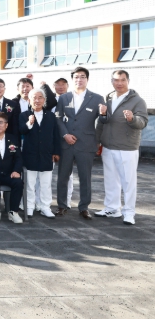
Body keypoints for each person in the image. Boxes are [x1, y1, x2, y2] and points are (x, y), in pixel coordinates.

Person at [95, 70, 148, 225]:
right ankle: (112, 208)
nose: (119, 83)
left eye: (122, 80)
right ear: (112, 81)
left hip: (127, 148)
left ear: (128, 81)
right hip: (108, 146)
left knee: (128, 182)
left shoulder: (138, 101)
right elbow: (102, 122)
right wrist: (97, 140)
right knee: (111, 180)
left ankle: (129, 212)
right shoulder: (108, 99)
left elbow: (143, 122)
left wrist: (132, 119)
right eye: (116, 80)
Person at [54, 66, 105, 220]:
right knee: (63, 176)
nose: (79, 79)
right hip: (66, 143)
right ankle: (62, 205)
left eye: (82, 76)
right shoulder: (64, 98)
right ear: (72, 79)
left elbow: (103, 121)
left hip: (86, 143)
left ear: (87, 79)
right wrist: (65, 135)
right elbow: (58, 118)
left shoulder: (97, 98)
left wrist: (104, 114)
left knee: (85, 177)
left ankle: (84, 208)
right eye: (76, 77)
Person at [19, 89, 61, 218]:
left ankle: (45, 207)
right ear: (29, 100)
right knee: (29, 184)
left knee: (45, 184)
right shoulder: (24, 115)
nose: (37, 100)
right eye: (34, 98)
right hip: (30, 154)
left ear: (44, 100)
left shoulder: (50, 116)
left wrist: (56, 151)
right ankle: (29, 206)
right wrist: (29, 123)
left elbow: (56, 134)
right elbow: (21, 130)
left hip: (47, 154)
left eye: (40, 97)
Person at [52, 77, 74, 207]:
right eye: (57, 84)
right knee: (46, 173)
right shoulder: (49, 101)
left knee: (67, 174)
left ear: (67, 86)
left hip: (67, 140)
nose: (60, 87)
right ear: (53, 86)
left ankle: (67, 201)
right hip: (52, 140)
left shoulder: (73, 99)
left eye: (63, 84)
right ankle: (43, 201)